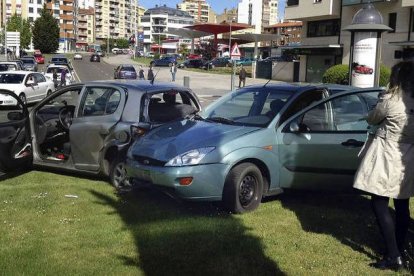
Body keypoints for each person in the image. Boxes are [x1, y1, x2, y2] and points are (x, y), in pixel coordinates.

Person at [353, 61, 414, 271]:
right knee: (402, 204)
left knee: (379, 203)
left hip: (387, 155)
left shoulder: (391, 100)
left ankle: (393, 255)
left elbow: (373, 118)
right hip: (408, 157)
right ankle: (397, 248)